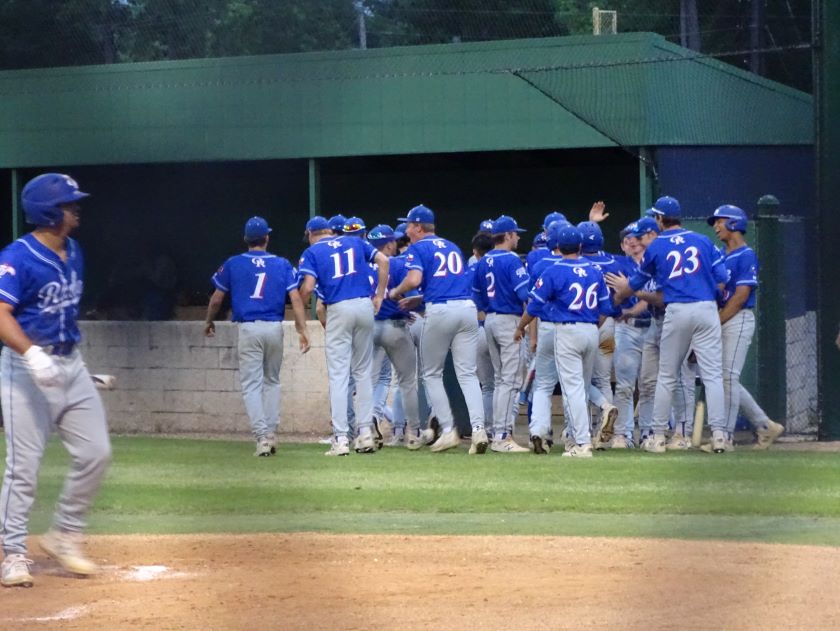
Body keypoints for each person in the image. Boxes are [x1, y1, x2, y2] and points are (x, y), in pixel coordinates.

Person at [0, 173, 112, 588]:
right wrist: (32, 354)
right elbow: (0, 312)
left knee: (96, 452)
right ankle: (13, 553)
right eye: (69, 204)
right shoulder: (18, 256)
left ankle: (64, 534)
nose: (76, 209)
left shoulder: (75, 251)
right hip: (24, 372)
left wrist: (71, 368)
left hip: (71, 364)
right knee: (24, 468)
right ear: (49, 213)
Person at [610, 196, 728, 454]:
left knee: (666, 375)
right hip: (706, 308)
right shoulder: (702, 240)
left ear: (660, 219)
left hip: (677, 309)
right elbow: (723, 279)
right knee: (712, 376)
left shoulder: (657, 245)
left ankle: (659, 437)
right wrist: (713, 298)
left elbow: (637, 283)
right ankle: (720, 436)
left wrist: (620, 295)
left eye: (656, 216)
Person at [204, 216, 310, 457]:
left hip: (249, 327)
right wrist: (302, 329)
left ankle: (262, 437)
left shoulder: (233, 263)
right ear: (267, 238)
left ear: (245, 239)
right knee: (272, 381)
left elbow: (217, 298)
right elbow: (295, 298)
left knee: (252, 384)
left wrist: (209, 321)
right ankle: (271, 434)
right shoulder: (282, 263)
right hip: (274, 327)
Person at [388, 204, 488, 454]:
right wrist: (419, 300)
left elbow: (414, 280)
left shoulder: (418, 247)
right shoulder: (451, 245)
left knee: (431, 373)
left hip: (441, 311)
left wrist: (396, 292)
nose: (407, 230)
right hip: (466, 309)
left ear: (418, 227)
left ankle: (447, 430)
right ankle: (478, 430)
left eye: (409, 225)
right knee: (467, 373)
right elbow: (448, 283)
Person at [515, 223, 612, 458]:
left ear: (557, 245)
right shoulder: (593, 269)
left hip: (565, 330)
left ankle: (581, 442)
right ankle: (580, 435)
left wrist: (520, 326)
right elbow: (607, 308)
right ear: (580, 246)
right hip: (591, 329)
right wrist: (590, 325)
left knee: (571, 389)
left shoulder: (553, 269)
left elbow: (534, 306)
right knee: (580, 385)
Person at [298, 215, 389, 456]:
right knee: (363, 372)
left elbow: (307, 288)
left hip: (338, 307)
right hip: (364, 305)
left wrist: (300, 313)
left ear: (310, 234)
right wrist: (379, 295)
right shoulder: (354, 241)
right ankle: (366, 434)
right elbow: (383, 260)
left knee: (339, 375)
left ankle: (341, 439)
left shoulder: (312, 253)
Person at [706, 205, 784, 450]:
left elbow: (741, 296)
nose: (716, 227)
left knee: (727, 376)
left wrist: (716, 322)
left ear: (734, 223)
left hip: (738, 318)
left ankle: (726, 437)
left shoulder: (746, 254)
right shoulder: (721, 254)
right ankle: (764, 425)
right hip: (723, 317)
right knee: (725, 378)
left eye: (720, 221)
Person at [366, 224, 431, 449]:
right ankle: (412, 434)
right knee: (407, 382)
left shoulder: (361, 266)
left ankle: (366, 428)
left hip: (367, 328)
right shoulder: (398, 264)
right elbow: (414, 298)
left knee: (367, 381)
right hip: (394, 326)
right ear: (389, 244)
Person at [472, 216, 531, 452]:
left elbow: (477, 298)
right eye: (515, 234)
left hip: (490, 320)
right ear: (506, 235)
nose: (517, 237)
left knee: (499, 380)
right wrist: (522, 326)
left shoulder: (483, 260)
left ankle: (497, 432)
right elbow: (525, 294)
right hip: (509, 320)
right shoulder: (512, 260)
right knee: (510, 380)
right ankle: (502, 436)